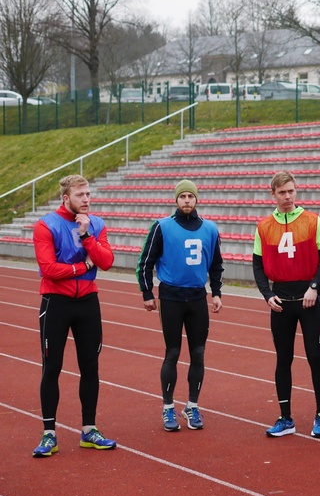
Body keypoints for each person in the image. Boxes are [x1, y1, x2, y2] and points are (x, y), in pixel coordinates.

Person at [31, 175, 117, 457]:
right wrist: (82, 267)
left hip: (88, 303)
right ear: (65, 198)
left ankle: (89, 430)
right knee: (51, 367)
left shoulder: (96, 224)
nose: (87, 199)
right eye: (80, 195)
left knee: (90, 367)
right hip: (56, 303)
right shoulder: (46, 225)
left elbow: (106, 262)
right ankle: (49, 434)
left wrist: (86, 236)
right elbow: (49, 269)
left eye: (88, 194)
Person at [136, 179, 224, 432]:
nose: (186, 200)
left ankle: (192, 406)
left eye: (190, 196)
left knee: (198, 353)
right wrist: (147, 293)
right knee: (172, 353)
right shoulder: (162, 227)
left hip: (197, 298)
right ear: (176, 200)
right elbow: (145, 262)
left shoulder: (210, 228)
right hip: (171, 298)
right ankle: (167, 408)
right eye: (182, 196)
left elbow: (216, 264)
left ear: (197, 199)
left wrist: (216, 292)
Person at [253, 171, 320, 438]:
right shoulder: (263, 227)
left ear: (296, 191)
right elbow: (257, 264)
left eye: (291, 191)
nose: (287, 197)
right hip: (281, 303)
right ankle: (285, 417)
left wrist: (314, 287)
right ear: (273, 195)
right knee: (283, 359)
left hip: (309, 301)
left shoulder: (312, 221)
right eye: (282, 192)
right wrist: (266, 294)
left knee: (314, 358)